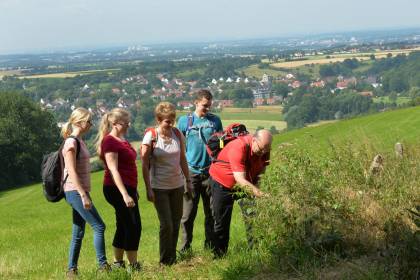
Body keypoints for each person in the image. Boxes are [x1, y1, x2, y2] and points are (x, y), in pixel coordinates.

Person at [141, 102, 191, 265]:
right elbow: (144, 163)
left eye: (172, 120)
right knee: (166, 224)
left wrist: (188, 181)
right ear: (158, 119)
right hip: (159, 187)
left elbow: (182, 158)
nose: (171, 124)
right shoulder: (151, 137)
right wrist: (148, 188)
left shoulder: (177, 134)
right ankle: (164, 261)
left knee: (176, 223)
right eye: (167, 121)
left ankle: (172, 258)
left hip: (177, 185)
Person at [209, 129, 272, 257]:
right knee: (222, 220)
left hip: (246, 184)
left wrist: (257, 186)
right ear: (254, 140)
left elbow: (261, 173)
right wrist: (261, 194)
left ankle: (256, 252)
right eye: (261, 150)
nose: (263, 153)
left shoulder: (265, 148)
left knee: (253, 217)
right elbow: (240, 180)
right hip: (222, 183)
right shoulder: (239, 147)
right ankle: (219, 256)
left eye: (266, 150)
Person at [61, 108, 109, 276]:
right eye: (89, 121)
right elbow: (71, 171)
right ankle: (103, 267)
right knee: (99, 226)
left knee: (78, 231)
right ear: (80, 122)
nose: (91, 125)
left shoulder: (79, 141)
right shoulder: (71, 143)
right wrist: (83, 194)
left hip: (78, 191)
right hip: (75, 191)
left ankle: (71, 271)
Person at [95, 108, 141, 271]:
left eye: (129, 122)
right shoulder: (110, 141)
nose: (128, 125)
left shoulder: (122, 139)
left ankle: (118, 263)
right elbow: (113, 169)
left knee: (123, 225)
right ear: (114, 124)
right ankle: (133, 266)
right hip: (116, 188)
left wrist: (132, 190)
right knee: (133, 226)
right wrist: (125, 194)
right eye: (125, 123)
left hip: (127, 187)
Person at [177, 89, 223, 252]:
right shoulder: (184, 121)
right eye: (205, 106)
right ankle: (185, 248)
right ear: (195, 102)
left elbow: (221, 144)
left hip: (211, 172)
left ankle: (210, 246)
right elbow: (178, 146)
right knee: (187, 214)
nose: (208, 109)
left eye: (210, 105)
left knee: (211, 212)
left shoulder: (215, 121)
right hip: (191, 173)